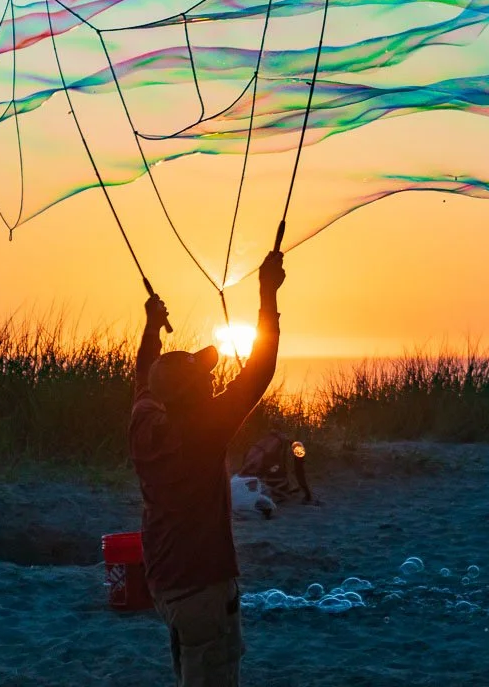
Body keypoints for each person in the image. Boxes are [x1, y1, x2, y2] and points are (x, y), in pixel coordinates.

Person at [129, 250, 285, 687]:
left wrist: (151, 328)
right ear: (196, 395)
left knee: (191, 665)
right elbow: (260, 370)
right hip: (202, 590)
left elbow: (143, 378)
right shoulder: (203, 432)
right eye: (206, 377)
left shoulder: (144, 422)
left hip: (165, 585)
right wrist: (267, 294)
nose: (214, 378)